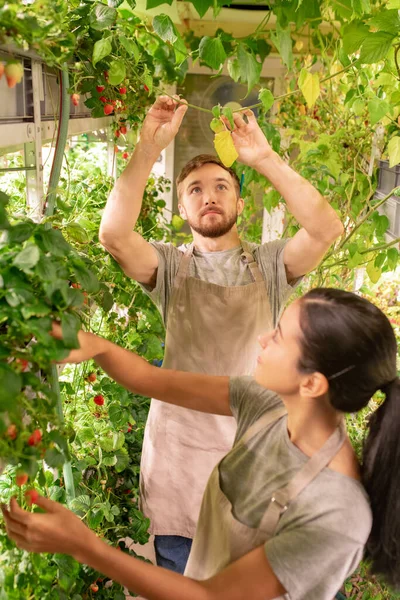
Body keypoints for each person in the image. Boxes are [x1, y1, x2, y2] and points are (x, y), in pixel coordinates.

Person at [3, 288, 400, 599]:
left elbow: (210, 597)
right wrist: (98, 347)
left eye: (278, 336)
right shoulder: (266, 406)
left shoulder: (336, 513)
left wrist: (84, 545)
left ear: (312, 384)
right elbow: (151, 379)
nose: (262, 340)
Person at [99, 95, 344, 572]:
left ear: (237, 199)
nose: (208, 195)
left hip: (254, 451)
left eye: (220, 186)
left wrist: (262, 158)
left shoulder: (272, 264)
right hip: (180, 457)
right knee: (182, 579)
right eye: (194, 189)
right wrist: (148, 149)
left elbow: (324, 228)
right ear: (181, 207)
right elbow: (113, 234)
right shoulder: (169, 267)